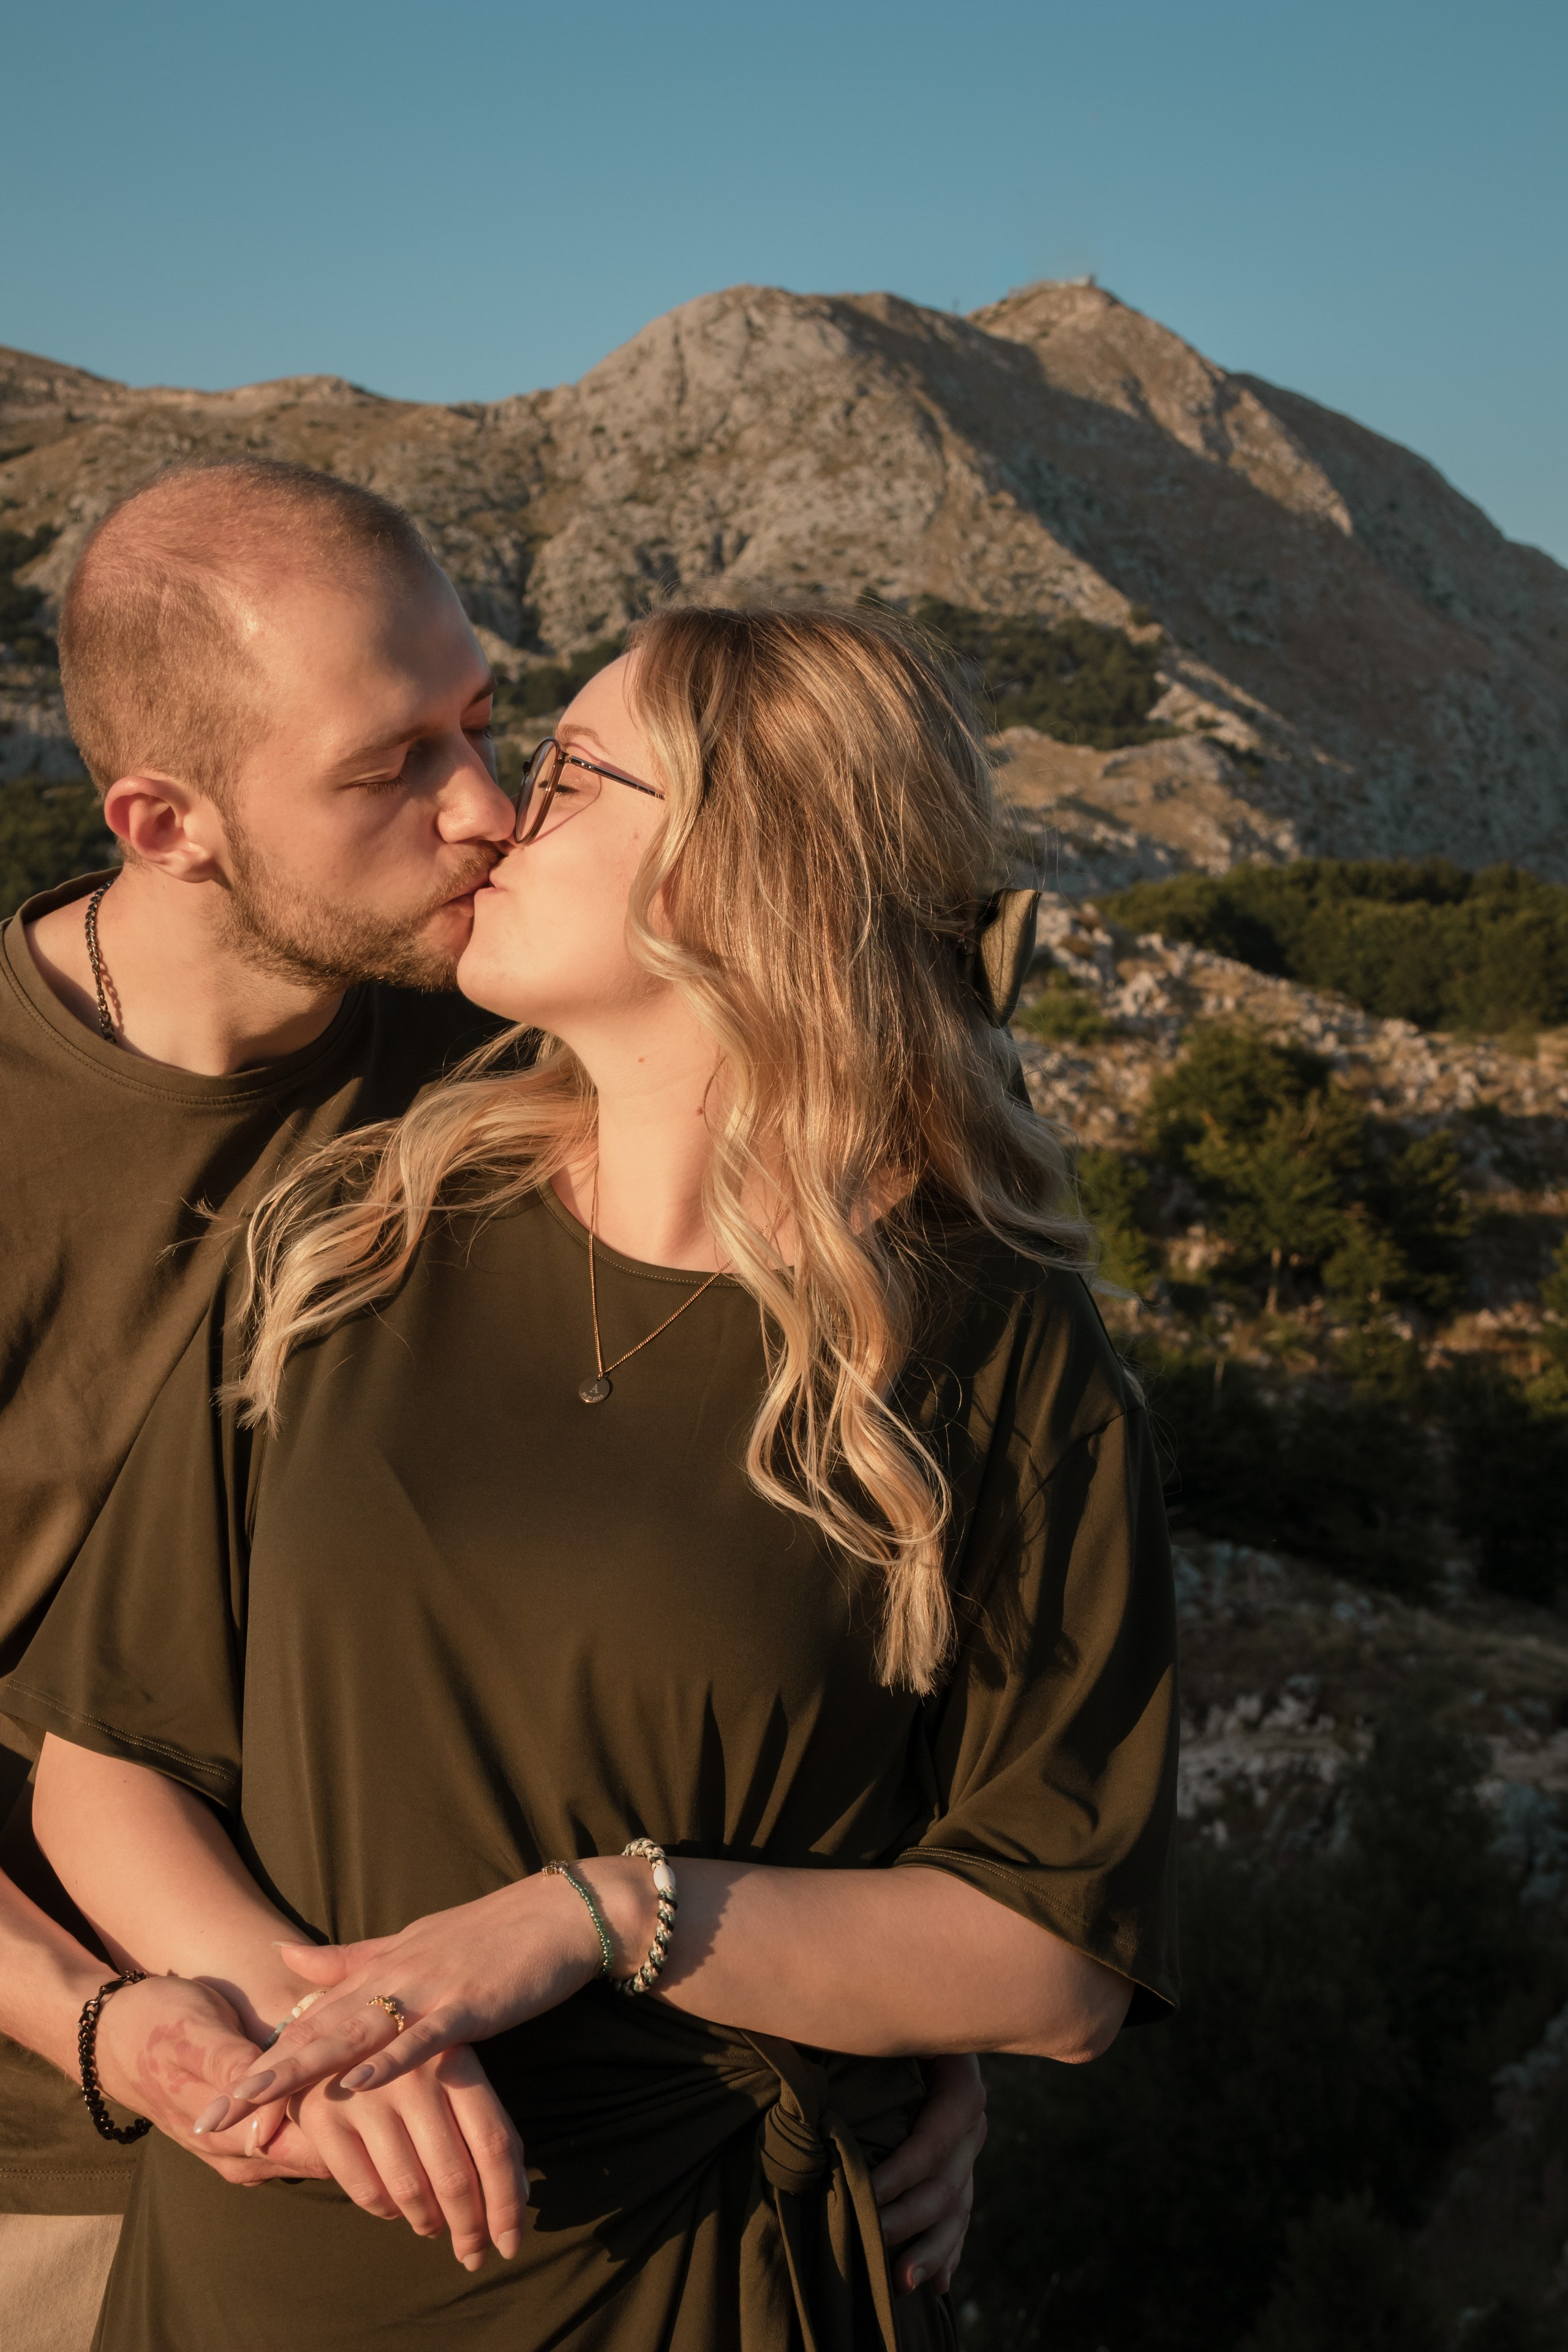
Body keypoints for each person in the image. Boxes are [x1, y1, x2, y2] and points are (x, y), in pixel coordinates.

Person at [6, 603, 1178, 2350]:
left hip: (698, 2275)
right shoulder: (353, 1243)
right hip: (267, 2255)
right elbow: (108, 1765)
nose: (489, 817)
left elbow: (1059, 1953)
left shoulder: (993, 1347)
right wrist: (337, 2030)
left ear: (734, 874)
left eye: (558, 774)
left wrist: (608, 1916)